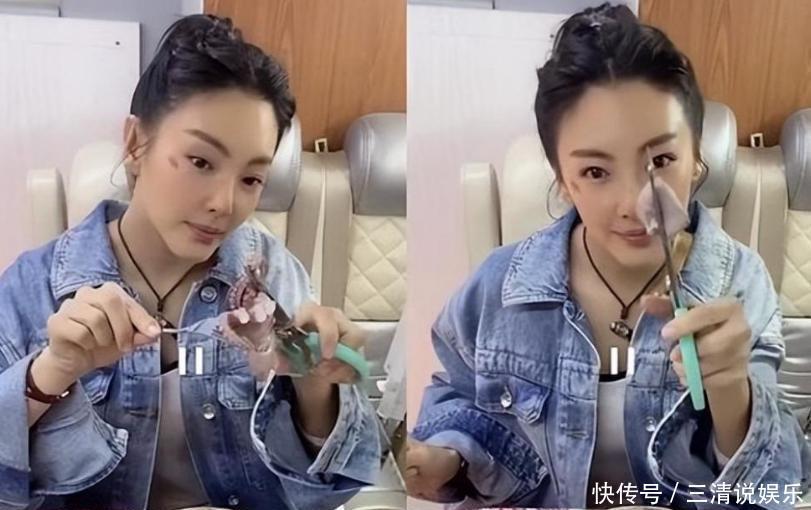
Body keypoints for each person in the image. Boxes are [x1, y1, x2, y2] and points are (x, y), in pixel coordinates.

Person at [406, 3, 810, 509]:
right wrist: (445, 457)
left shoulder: (739, 285)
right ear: (563, 179)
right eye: (596, 172)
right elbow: (457, 402)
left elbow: (774, 489)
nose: (633, 203)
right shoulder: (497, 288)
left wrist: (733, 392)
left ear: (696, 157)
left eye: (661, 159)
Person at [0, 14, 380, 510]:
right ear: (135, 144)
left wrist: (315, 386)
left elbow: (329, 491)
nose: (225, 204)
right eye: (201, 162)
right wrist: (51, 373)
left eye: (251, 179)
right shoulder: (32, 290)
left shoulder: (273, 276)